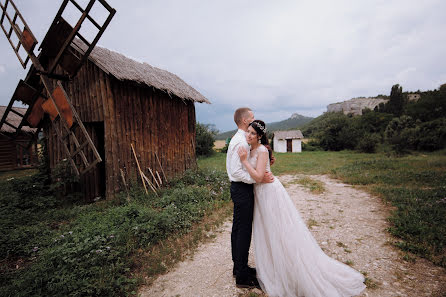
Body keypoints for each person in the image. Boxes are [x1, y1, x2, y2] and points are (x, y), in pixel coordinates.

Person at [237, 120, 366, 297]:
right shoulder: (254, 149)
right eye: (248, 132)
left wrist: (244, 161)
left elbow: (259, 176)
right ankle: (274, 267)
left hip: (269, 194)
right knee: (267, 232)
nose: (249, 135)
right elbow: (260, 170)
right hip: (260, 195)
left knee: (280, 232)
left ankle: (289, 269)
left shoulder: (261, 150)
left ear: (259, 136)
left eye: (252, 133)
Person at [226, 108, 274, 289]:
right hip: (242, 188)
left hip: (240, 188)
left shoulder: (240, 138)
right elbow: (237, 171)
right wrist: (258, 179)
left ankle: (239, 268)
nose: (254, 120)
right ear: (245, 120)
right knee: (243, 231)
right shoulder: (242, 141)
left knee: (238, 229)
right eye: (252, 118)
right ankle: (242, 277)